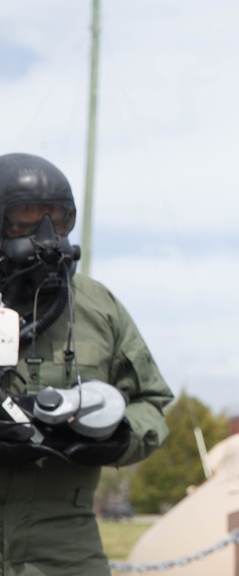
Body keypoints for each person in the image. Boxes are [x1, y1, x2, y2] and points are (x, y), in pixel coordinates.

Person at [0, 153, 174, 576]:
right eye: (26, 220)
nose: (46, 235)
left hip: (65, 543)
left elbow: (152, 402)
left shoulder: (98, 307)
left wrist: (119, 437)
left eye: (56, 221)